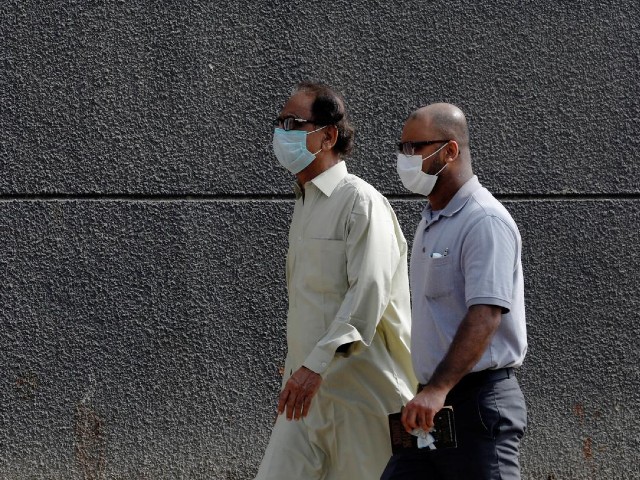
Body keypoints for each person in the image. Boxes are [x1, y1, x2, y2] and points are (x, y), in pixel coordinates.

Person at [255, 82, 417, 480]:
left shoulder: (361, 202)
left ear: (327, 136)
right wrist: (300, 365)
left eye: (293, 123)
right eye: (279, 122)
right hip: (305, 394)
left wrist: (313, 366)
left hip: (362, 395)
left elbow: (367, 299)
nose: (281, 132)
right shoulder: (305, 201)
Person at [381, 103, 527, 479]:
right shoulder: (430, 222)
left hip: (478, 403)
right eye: (402, 148)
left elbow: (486, 315)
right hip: (433, 406)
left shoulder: (485, 221)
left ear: (450, 151)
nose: (405, 158)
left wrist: (438, 388)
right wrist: (428, 391)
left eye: (415, 147)